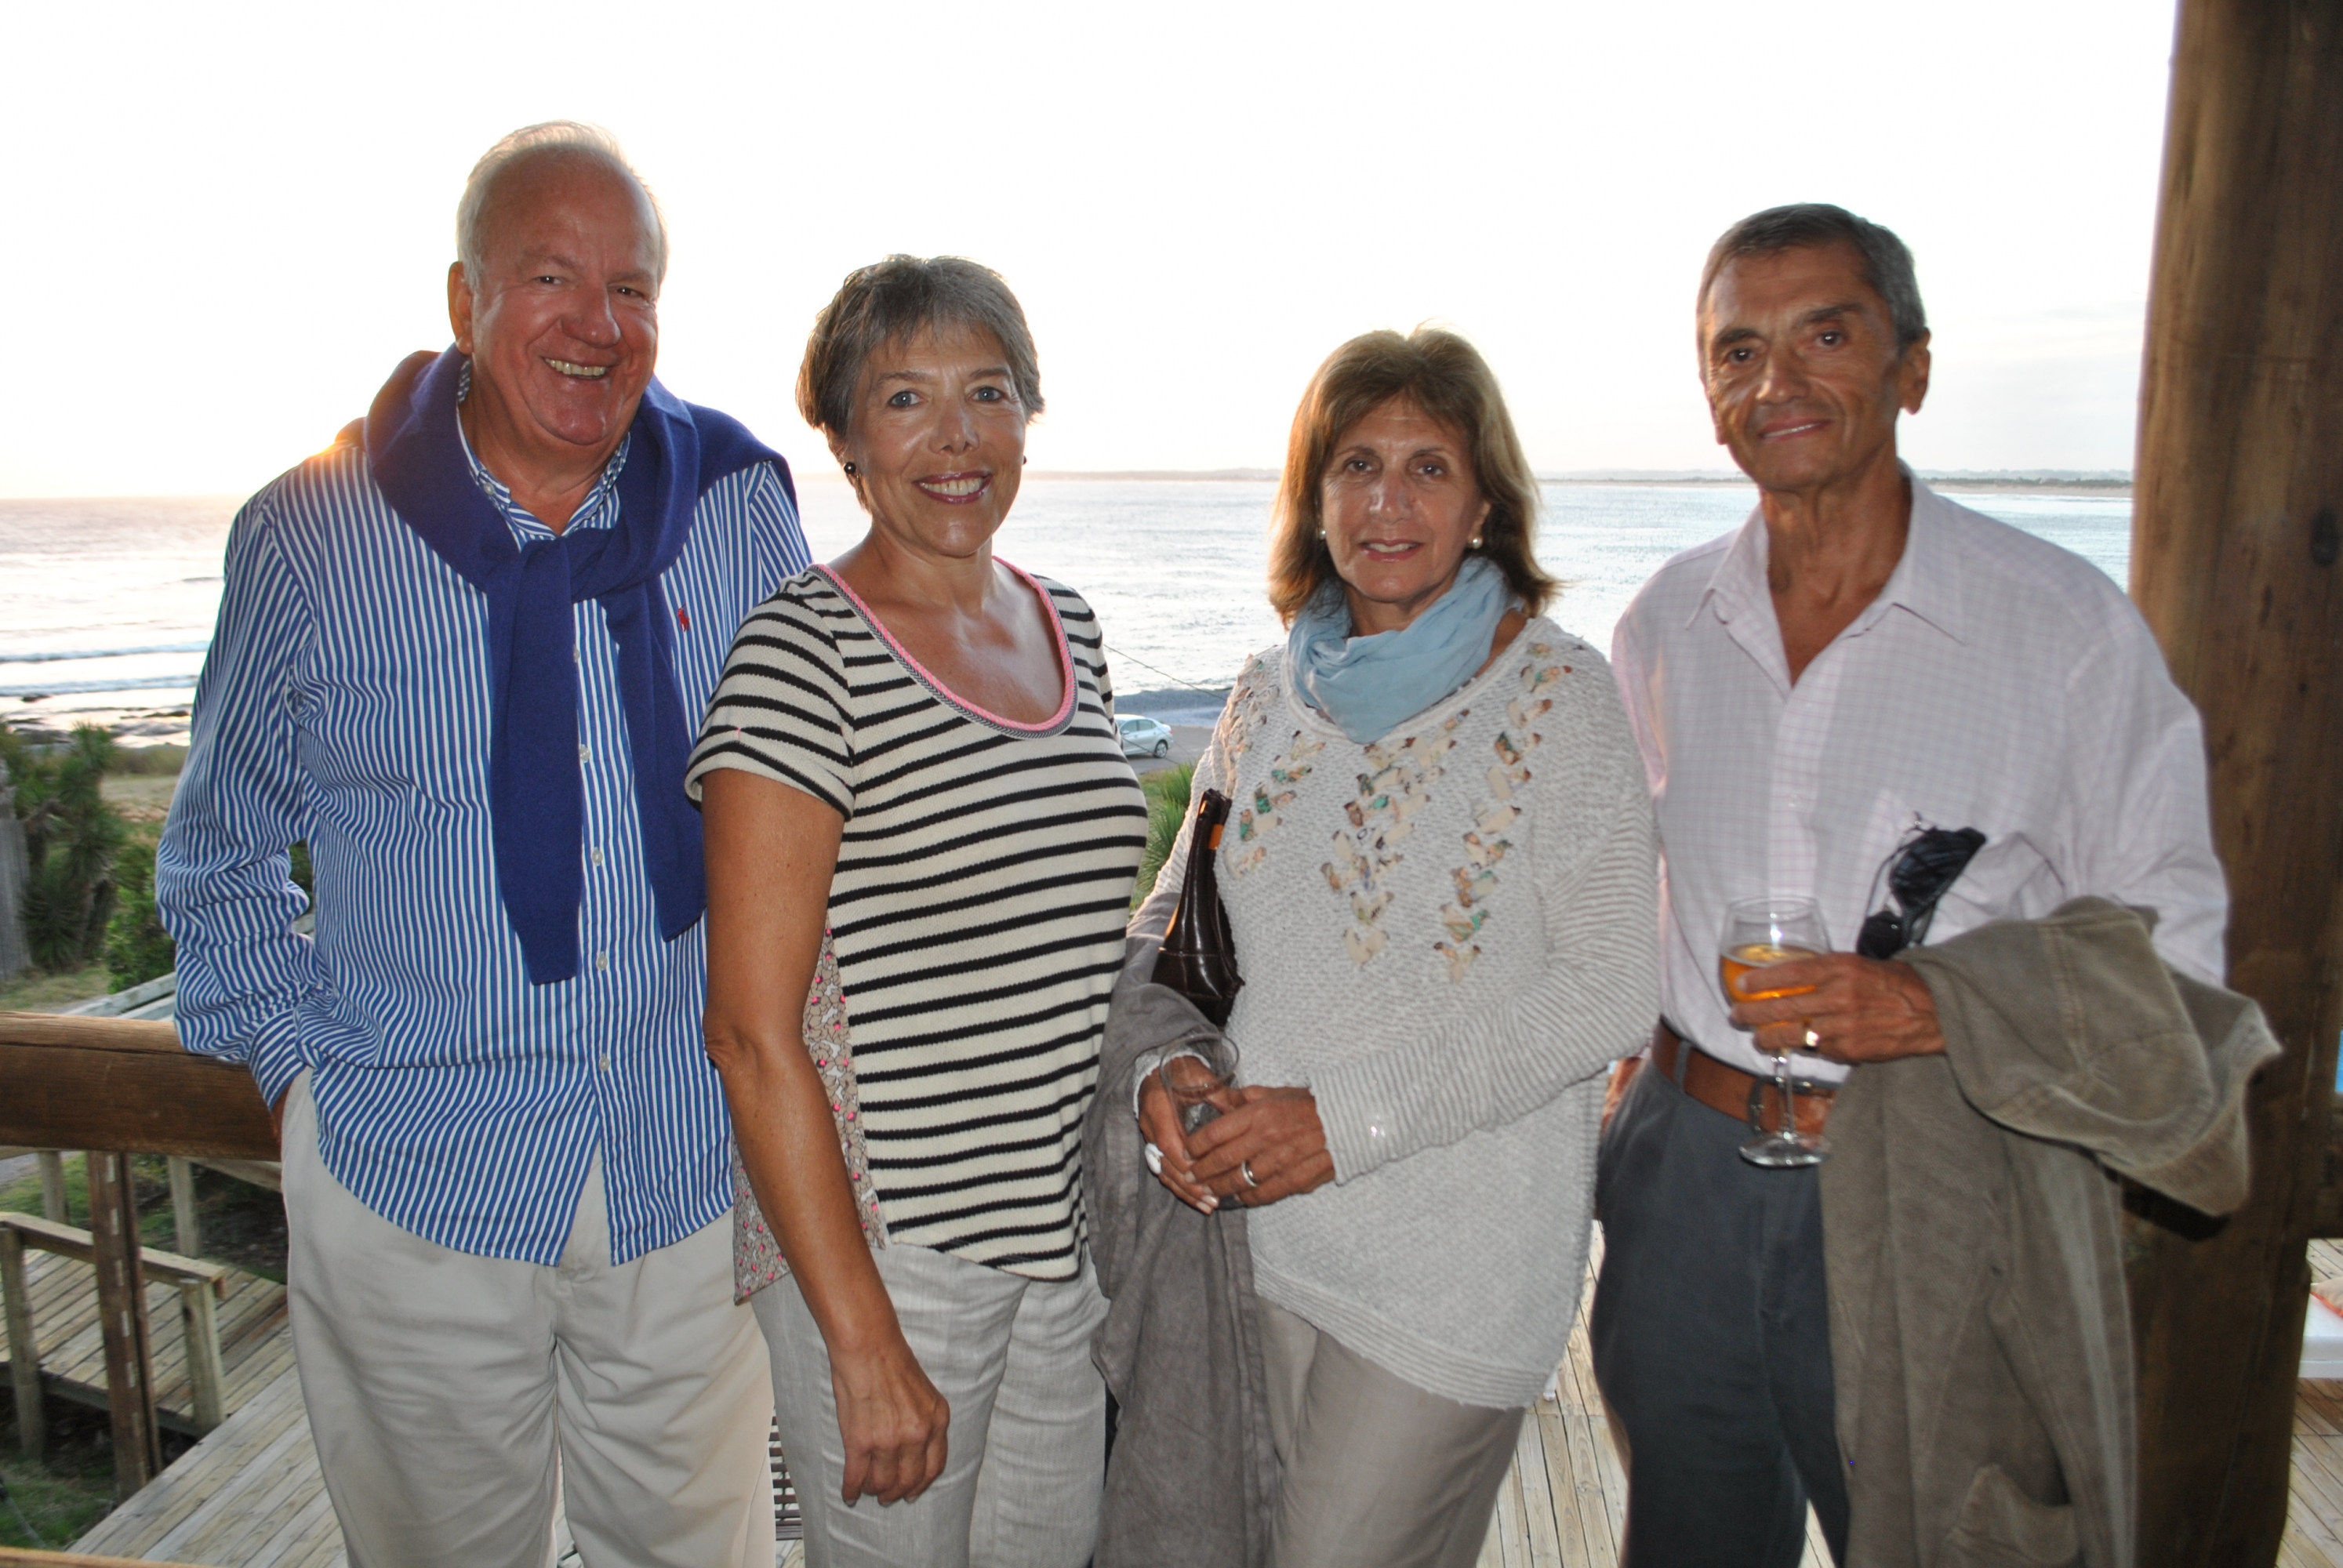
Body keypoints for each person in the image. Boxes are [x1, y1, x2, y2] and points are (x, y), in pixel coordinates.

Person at [156, 122, 806, 1566]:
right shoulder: (310, 535)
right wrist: (304, 1098)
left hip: (690, 1176)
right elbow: (220, 853)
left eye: (631, 289)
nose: (597, 325)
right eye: (549, 280)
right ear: (462, 302)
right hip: (416, 1192)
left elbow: (818, 810)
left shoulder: (739, 508)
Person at [1593, 202, 2228, 1568]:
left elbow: (2181, 945)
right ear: (1708, 399)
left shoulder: (2059, 630)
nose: (1779, 382)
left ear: (1913, 368)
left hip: (1934, 1169)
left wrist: (1937, 1008)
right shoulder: (1660, 629)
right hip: (1685, 1174)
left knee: (1959, 1541)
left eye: (1827, 334)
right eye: (1737, 351)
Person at [1130, 325, 1659, 1568]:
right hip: (1252, 1242)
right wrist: (1158, 1067)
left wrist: (1341, 1119)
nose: (1388, 501)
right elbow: (1175, 912)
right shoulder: (1266, 695)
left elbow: (1610, 992)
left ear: (1486, 502)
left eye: (1429, 467)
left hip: (1450, 1274)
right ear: (1313, 500)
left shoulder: (1560, 697)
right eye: (1357, 464)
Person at [688, 254, 1148, 1568]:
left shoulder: (1073, 625)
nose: (956, 438)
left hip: (1063, 1254)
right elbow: (750, 1035)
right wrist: (862, 1339)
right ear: (842, 440)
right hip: (898, 1262)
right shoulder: (801, 650)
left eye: (988, 393)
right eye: (905, 399)